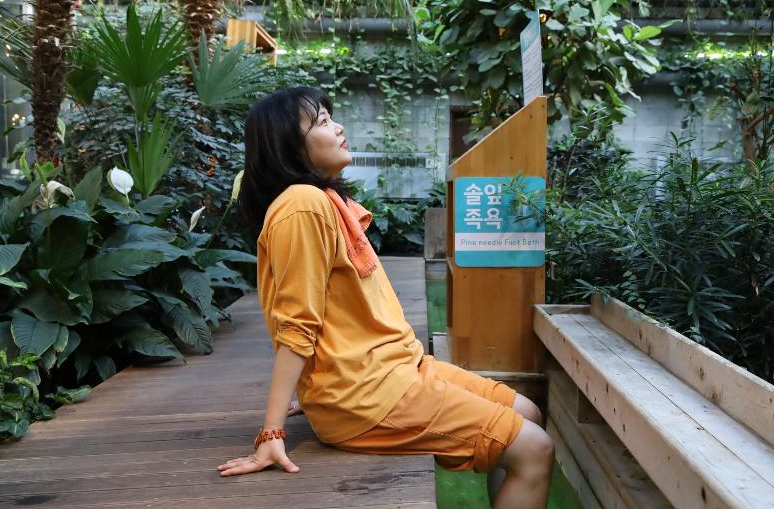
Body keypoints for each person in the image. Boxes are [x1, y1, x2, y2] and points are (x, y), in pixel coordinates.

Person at [217, 87, 555, 508]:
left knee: (528, 414)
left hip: (396, 370)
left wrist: (315, 387)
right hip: (370, 394)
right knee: (535, 448)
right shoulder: (302, 205)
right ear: (287, 145)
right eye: (321, 122)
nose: (337, 126)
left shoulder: (324, 200)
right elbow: (296, 322)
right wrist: (272, 432)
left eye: (330, 117)